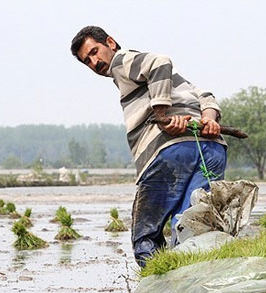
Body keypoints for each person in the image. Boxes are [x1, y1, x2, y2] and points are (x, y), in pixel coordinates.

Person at [70, 26, 227, 267]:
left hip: (171, 152)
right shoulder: (175, 81)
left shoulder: (122, 62)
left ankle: (165, 292)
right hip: (212, 149)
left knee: (145, 237)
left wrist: (161, 115)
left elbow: (160, 62)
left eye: (94, 51)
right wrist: (209, 119)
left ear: (110, 43)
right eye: (87, 61)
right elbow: (206, 95)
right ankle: (194, 284)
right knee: (188, 225)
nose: (94, 62)